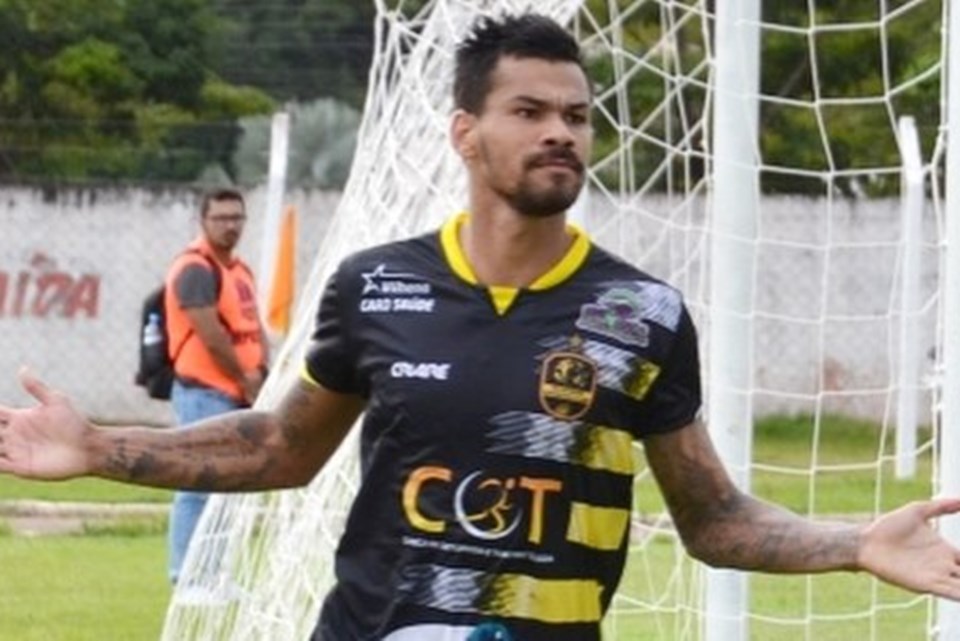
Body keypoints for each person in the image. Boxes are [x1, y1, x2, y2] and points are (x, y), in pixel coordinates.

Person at [1, 13, 960, 641]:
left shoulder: (643, 313)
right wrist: (97, 447)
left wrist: (855, 541)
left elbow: (712, 518)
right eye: (529, 110)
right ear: (465, 133)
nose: (560, 131)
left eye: (577, 115)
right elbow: (281, 446)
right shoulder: (376, 285)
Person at [163, 187, 269, 585]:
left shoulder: (240, 270)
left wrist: (263, 370)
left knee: (226, 489)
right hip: (204, 391)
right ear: (203, 221)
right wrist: (245, 378)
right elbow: (210, 334)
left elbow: (253, 327)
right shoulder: (195, 268)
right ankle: (187, 575)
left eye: (236, 217)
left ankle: (213, 573)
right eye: (221, 218)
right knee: (197, 483)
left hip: (238, 391)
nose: (230, 225)